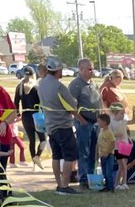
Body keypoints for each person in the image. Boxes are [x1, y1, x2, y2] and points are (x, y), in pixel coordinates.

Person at [36, 57, 84, 195]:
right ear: (58, 70)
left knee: (56, 156)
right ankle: (64, 186)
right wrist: (80, 117)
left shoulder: (42, 84)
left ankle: (59, 184)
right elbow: (71, 105)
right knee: (70, 156)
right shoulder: (59, 86)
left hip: (50, 126)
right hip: (63, 125)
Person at [68, 59, 102, 189]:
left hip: (96, 123)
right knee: (84, 151)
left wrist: (101, 118)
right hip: (83, 122)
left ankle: (92, 177)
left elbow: (99, 102)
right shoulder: (75, 85)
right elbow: (71, 106)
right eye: (89, 69)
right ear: (81, 69)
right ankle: (83, 178)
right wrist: (81, 120)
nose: (92, 71)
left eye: (92, 68)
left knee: (94, 152)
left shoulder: (94, 84)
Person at [96, 111, 116, 191]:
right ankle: (106, 186)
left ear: (104, 122)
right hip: (102, 155)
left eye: (99, 121)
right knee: (104, 171)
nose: (98, 123)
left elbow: (113, 143)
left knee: (108, 172)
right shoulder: (101, 131)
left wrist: (108, 152)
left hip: (109, 155)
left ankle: (111, 187)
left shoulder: (109, 132)